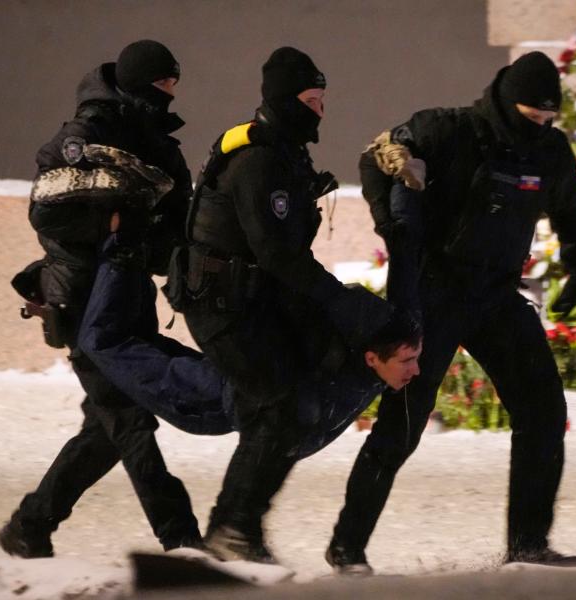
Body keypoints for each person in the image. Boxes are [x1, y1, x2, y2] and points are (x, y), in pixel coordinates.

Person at [326, 51, 576, 575]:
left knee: (543, 410)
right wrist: (394, 227)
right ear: (505, 102)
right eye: (530, 116)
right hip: (436, 292)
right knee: (403, 422)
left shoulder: (550, 152)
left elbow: (567, 208)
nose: (538, 126)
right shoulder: (448, 129)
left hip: (495, 296)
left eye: (548, 118)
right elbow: (377, 157)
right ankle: (347, 546)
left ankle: (529, 546)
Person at [178, 46, 409, 562]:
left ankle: (236, 529)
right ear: (285, 101)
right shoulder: (259, 161)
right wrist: (336, 301)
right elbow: (276, 251)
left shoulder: (286, 154)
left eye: (323, 98)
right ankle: (231, 532)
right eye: (311, 98)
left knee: (296, 400)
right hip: (223, 305)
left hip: (258, 298)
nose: (320, 109)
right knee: (279, 404)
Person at [0, 40, 202, 558]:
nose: (168, 95)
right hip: (83, 303)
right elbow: (48, 212)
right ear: (136, 84)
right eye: (161, 85)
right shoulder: (83, 136)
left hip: (129, 301)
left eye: (173, 86)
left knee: (109, 428)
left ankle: (31, 525)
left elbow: (176, 229)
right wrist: (113, 223)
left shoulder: (162, 147)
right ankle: (181, 540)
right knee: (129, 419)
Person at [76, 232, 421, 459]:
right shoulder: (349, 352)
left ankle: (121, 254)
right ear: (374, 357)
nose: (415, 370)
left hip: (224, 396)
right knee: (103, 342)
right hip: (218, 397)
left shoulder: (368, 359)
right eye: (408, 360)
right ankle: (118, 251)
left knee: (132, 349)